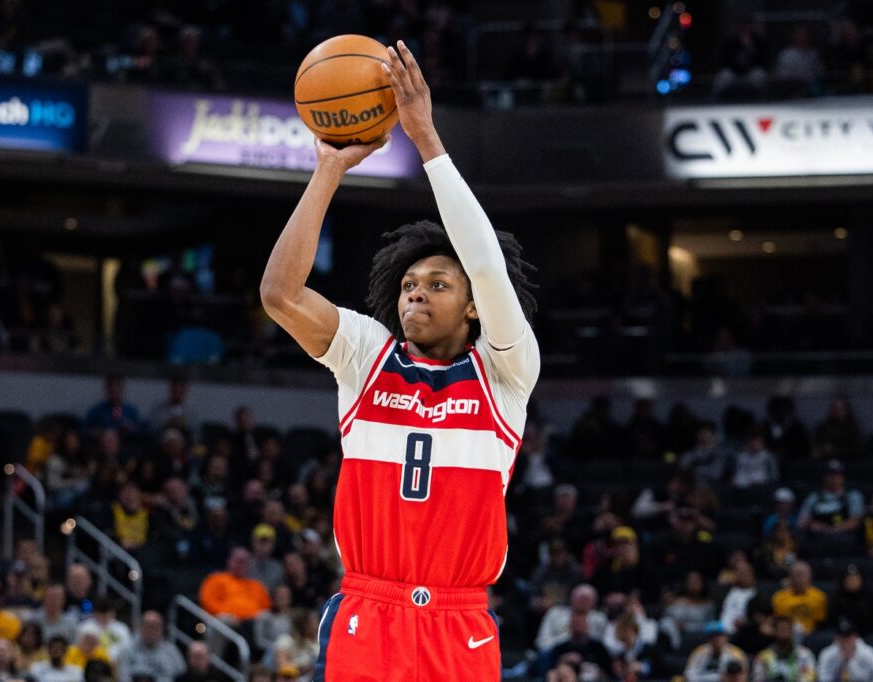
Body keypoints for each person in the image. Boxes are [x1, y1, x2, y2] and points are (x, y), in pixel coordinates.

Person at [259, 40, 538, 680]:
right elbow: (279, 294)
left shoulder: (506, 373)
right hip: (367, 607)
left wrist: (427, 140)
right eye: (410, 283)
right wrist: (328, 170)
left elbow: (488, 266)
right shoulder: (365, 354)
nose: (416, 290)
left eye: (439, 283)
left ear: (474, 309)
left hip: (458, 619)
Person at [198, 548, 271, 622]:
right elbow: (208, 602)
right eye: (238, 561)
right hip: (227, 619)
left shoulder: (257, 585)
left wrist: (251, 615)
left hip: (252, 622)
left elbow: (265, 607)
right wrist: (231, 613)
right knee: (224, 619)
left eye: (245, 562)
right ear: (229, 561)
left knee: (266, 617)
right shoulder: (215, 579)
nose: (241, 565)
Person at [115, 611, 185, 682]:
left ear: (161, 629)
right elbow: (122, 676)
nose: (151, 631)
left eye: (155, 627)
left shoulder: (172, 651)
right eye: (148, 626)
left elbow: (181, 676)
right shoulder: (127, 650)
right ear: (140, 627)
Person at [536, 584, 608, 652]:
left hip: (588, 653)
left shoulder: (600, 618)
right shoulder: (555, 613)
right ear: (572, 598)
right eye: (580, 598)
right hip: (555, 652)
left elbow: (603, 644)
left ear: (594, 602)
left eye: (586, 599)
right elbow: (542, 640)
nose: (582, 602)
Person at [752, 615, 817, 682]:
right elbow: (758, 679)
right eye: (781, 629)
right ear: (774, 631)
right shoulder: (763, 656)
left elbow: (809, 678)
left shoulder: (805, 654)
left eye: (787, 628)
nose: (784, 631)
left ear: (792, 631)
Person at [815, 617, 873, 682]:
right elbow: (823, 678)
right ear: (836, 638)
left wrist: (849, 661)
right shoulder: (827, 654)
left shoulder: (869, 654)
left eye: (848, 636)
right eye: (842, 636)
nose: (845, 641)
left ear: (855, 637)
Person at [772, 561, 827, 635]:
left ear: (810, 575)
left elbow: (820, 622)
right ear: (790, 576)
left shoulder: (819, 596)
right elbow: (778, 620)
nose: (800, 577)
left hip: (811, 636)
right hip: (787, 635)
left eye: (803, 573)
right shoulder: (779, 597)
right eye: (797, 573)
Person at [684, 621, 749, 682]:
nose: (716, 639)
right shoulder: (699, 651)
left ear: (726, 637)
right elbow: (689, 673)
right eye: (712, 636)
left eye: (719, 636)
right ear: (707, 639)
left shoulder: (736, 653)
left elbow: (742, 677)